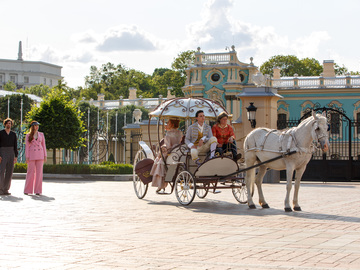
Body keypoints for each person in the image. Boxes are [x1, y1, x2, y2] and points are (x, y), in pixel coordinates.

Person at [150, 119, 183, 192]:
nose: (166, 124)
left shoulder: (168, 133)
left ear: (172, 124)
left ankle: (160, 184)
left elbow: (168, 146)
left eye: (168, 123)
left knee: (160, 160)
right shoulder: (180, 133)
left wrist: (163, 148)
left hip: (171, 152)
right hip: (180, 152)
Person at [24, 121, 47, 195]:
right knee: (30, 173)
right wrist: (27, 157)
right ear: (32, 126)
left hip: (40, 154)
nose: (37, 127)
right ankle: (27, 190)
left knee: (39, 173)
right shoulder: (28, 135)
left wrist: (45, 156)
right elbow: (27, 147)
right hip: (32, 155)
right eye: (35, 125)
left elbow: (44, 145)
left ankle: (38, 190)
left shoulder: (41, 134)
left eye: (38, 125)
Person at [0, 118, 18, 196]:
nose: (8, 124)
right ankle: (0, 189)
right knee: (1, 171)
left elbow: (15, 145)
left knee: (9, 171)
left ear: (11, 125)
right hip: (3, 152)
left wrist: (16, 156)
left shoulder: (13, 134)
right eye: (7, 123)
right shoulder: (1, 133)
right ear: (5, 124)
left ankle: (6, 189)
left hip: (11, 152)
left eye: (10, 123)